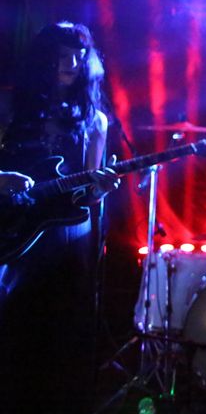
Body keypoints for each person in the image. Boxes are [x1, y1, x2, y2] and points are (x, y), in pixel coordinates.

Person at [0, 21, 120, 414]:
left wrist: (100, 190)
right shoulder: (10, 108)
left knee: (64, 336)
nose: (69, 64)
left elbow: (89, 190)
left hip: (69, 242)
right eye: (61, 55)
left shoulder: (94, 120)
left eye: (78, 56)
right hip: (11, 236)